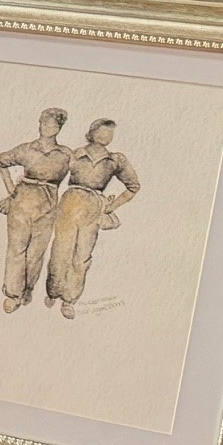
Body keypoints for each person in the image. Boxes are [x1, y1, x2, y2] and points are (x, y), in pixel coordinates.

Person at [47, 120, 141, 319]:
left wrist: (111, 206)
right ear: (91, 132)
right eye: (102, 130)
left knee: (82, 256)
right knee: (60, 250)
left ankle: (69, 300)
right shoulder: (74, 154)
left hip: (93, 208)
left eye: (110, 132)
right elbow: (53, 178)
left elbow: (133, 186)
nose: (106, 135)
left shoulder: (116, 160)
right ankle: (53, 291)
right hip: (70, 203)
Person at [0, 108, 72, 314]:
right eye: (42, 122)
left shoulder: (66, 154)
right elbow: (1, 161)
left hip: (48, 207)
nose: (44, 127)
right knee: (16, 249)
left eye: (50, 123)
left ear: (58, 128)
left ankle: (27, 288)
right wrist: (11, 191)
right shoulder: (27, 149)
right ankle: (12, 294)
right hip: (22, 204)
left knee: (36, 252)